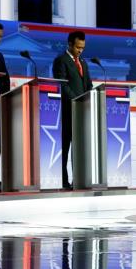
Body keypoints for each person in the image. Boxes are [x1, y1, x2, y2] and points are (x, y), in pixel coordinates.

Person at [52, 31, 93, 189]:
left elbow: (88, 83)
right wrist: (76, 100)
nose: (80, 50)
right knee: (64, 148)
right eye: (77, 47)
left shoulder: (83, 62)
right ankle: (63, 181)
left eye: (82, 47)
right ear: (69, 44)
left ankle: (80, 180)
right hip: (67, 111)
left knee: (80, 148)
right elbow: (62, 85)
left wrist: (88, 97)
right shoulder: (60, 61)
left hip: (81, 112)